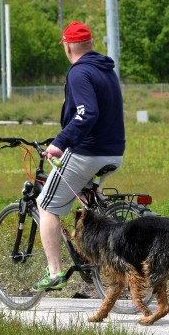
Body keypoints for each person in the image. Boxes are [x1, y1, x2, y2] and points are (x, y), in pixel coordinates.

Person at [32, 21, 126, 291]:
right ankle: (99, 253)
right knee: (85, 198)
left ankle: (54, 273)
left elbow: (87, 112)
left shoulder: (79, 72)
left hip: (88, 152)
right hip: (114, 151)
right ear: (91, 43)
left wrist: (60, 142)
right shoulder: (106, 70)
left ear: (69, 46)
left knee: (46, 205)